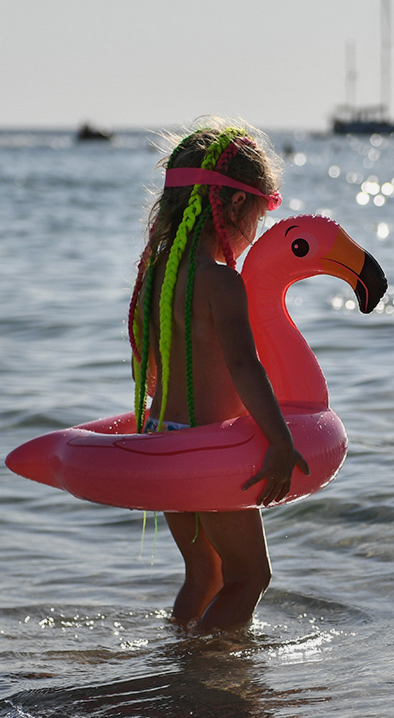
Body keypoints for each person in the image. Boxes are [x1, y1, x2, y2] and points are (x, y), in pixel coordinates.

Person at [127, 119, 308, 632]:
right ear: (231, 206)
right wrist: (279, 438)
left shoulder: (160, 272)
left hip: (164, 443)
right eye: (265, 208)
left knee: (203, 571)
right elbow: (243, 366)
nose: (262, 223)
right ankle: (204, 677)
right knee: (250, 577)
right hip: (206, 455)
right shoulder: (221, 282)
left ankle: (176, 660)